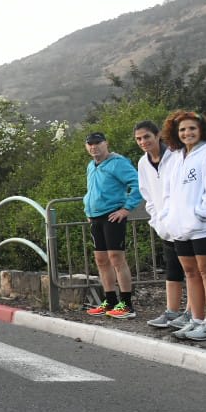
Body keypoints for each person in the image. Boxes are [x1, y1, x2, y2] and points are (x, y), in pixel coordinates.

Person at [159, 110, 206, 341]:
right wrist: (168, 218)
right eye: (182, 129)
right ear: (175, 133)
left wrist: (201, 214)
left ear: (202, 130)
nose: (187, 133)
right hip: (181, 228)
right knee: (190, 273)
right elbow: (169, 193)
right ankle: (197, 320)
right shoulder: (177, 157)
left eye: (192, 128)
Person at [132, 120, 190, 330]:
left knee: (191, 271)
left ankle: (191, 312)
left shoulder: (176, 156)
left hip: (183, 223)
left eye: (147, 136)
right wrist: (157, 221)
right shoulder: (142, 163)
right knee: (172, 269)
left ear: (157, 136)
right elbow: (147, 194)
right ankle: (171, 311)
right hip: (165, 226)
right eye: (139, 138)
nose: (143, 142)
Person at [81, 131, 143, 319]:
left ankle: (126, 304)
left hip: (113, 216)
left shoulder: (118, 163)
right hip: (95, 217)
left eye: (98, 143)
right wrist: (87, 210)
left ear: (106, 144)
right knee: (101, 260)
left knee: (117, 258)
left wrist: (126, 209)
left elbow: (139, 184)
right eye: (90, 144)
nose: (94, 147)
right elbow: (91, 190)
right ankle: (110, 300)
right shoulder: (91, 166)